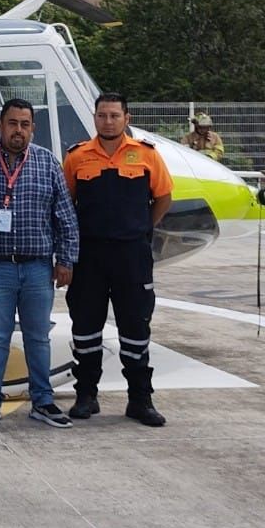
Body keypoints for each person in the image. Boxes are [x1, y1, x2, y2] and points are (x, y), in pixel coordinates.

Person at [0, 99, 80, 430]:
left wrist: (65, 260)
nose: (18, 130)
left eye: (24, 124)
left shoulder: (48, 163)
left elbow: (65, 217)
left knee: (38, 337)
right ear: (0, 125)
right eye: (12, 123)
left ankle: (43, 401)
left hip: (38, 268)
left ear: (32, 128)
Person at [63, 93, 174, 427]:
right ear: (94, 118)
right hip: (89, 256)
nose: (107, 121)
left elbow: (164, 197)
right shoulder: (77, 157)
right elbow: (66, 203)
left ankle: (140, 400)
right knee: (85, 328)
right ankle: (86, 396)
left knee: (136, 327)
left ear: (127, 117)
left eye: (114, 115)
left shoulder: (146, 156)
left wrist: (140, 229)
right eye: (102, 115)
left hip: (132, 256)